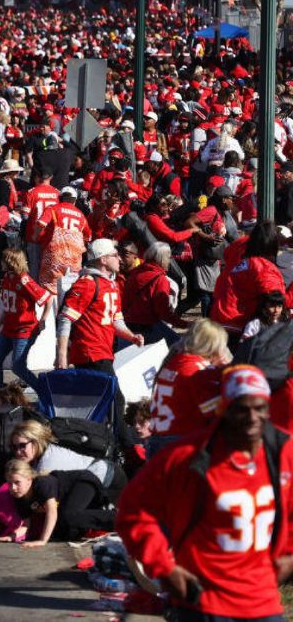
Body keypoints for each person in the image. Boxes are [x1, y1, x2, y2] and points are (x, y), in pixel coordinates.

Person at [117, 365, 293, 622]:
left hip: (261, 599)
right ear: (223, 410)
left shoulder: (283, 454)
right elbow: (133, 510)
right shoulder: (185, 457)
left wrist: (289, 554)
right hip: (203, 602)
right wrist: (164, 567)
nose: (252, 417)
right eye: (242, 409)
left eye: (260, 408)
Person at [56, 238, 144, 375]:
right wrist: (61, 355)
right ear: (103, 259)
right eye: (115, 255)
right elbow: (65, 318)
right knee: (114, 396)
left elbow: (116, 320)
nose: (119, 259)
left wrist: (131, 337)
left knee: (99, 396)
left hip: (104, 352)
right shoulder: (87, 283)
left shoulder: (112, 284)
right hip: (90, 353)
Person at [149, 319, 231, 455]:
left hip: (158, 439)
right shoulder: (198, 371)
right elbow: (216, 412)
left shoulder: (175, 361)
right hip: (179, 443)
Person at [0, 459, 114, 546]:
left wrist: (43, 540)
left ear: (29, 478)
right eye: (9, 483)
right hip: (69, 503)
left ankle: (117, 518)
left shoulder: (41, 484)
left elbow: (52, 512)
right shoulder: (20, 498)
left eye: (17, 482)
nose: (13, 488)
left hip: (82, 482)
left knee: (68, 515)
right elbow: (26, 526)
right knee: (64, 534)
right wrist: (11, 536)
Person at [0, 247, 52, 394]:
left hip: (24, 330)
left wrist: (43, 319)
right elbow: (7, 308)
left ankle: (43, 391)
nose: (1, 263)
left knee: (18, 366)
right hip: (8, 328)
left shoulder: (24, 280)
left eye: (3, 260)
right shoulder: (7, 278)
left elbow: (47, 299)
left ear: (10, 262)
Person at [122, 242, 185, 346]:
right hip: (148, 326)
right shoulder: (160, 280)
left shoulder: (135, 273)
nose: (170, 261)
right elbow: (164, 313)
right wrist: (184, 324)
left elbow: (125, 301)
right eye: (169, 258)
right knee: (179, 347)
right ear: (163, 259)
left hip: (129, 325)